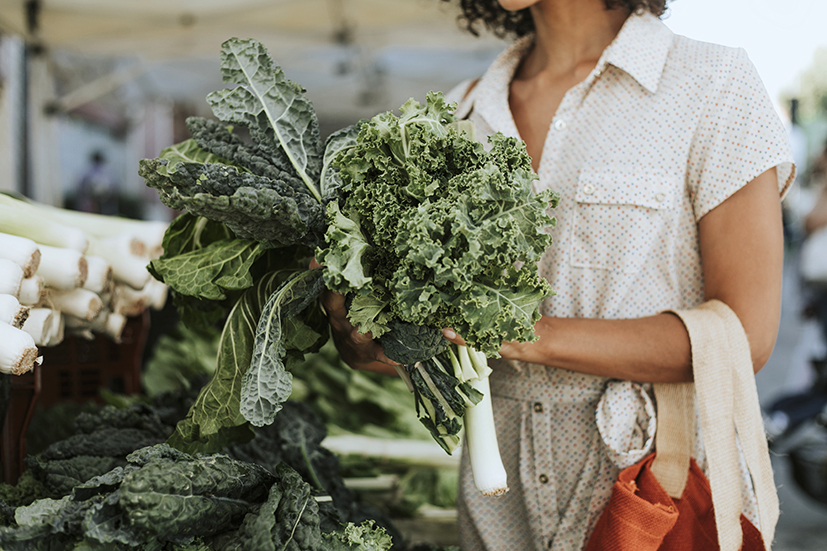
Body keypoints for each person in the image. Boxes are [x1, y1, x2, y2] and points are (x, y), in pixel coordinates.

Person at [320, 0, 795, 549]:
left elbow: (744, 335)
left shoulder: (711, 85)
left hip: (654, 497)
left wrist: (521, 335)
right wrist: (365, 341)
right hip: (498, 514)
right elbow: (427, 346)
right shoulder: (456, 114)